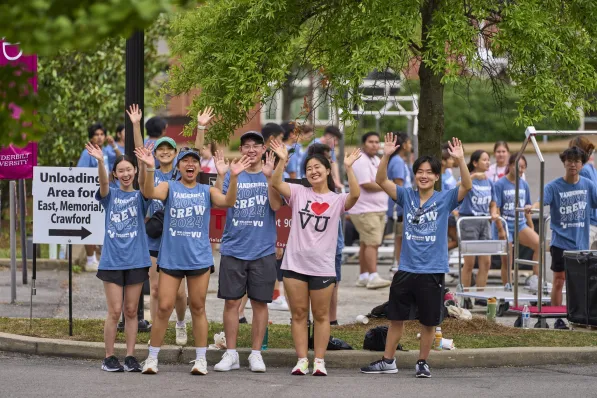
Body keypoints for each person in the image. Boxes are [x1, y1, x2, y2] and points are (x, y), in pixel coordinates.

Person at [360, 134, 471, 378]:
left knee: (429, 322)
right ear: (415, 174)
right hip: (406, 269)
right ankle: (388, 361)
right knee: (396, 319)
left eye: (429, 172)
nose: (424, 175)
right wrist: (387, 154)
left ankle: (422, 362)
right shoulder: (406, 196)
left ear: (436, 176)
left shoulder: (444, 199)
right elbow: (380, 180)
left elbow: (466, 186)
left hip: (432, 270)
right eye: (420, 171)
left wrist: (461, 160)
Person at [136, 145, 250, 375]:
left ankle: (200, 360)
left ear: (199, 167)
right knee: (164, 307)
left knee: (198, 307)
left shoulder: (206, 191)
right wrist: (149, 168)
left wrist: (230, 176)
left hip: (199, 259)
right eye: (185, 161)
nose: (190, 164)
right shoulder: (169, 186)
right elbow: (149, 193)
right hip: (171, 259)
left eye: (194, 161)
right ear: (178, 166)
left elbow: (228, 201)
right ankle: (152, 358)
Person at [269, 139, 361, 376]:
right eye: (308, 168)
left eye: (317, 167)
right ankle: (302, 360)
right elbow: (276, 183)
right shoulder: (299, 192)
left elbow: (355, 196)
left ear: (328, 170)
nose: (313, 171)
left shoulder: (336, 199)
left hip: (322, 267)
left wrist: (349, 168)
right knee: (298, 315)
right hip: (294, 264)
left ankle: (319, 360)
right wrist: (281, 160)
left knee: (321, 316)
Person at [129, 105, 214, 346]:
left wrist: (200, 127)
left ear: (175, 154)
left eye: (169, 149)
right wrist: (136, 125)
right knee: (156, 290)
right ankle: (157, 328)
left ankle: (179, 323)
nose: (164, 152)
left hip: (179, 238)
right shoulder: (150, 172)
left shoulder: (179, 174)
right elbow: (139, 153)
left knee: (179, 292)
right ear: (155, 153)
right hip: (155, 237)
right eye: (160, 149)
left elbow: (195, 154)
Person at [213, 131, 283, 373]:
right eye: (246, 146)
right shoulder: (234, 173)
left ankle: (256, 354)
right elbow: (219, 201)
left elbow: (276, 206)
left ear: (264, 150)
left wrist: (270, 178)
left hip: (262, 250)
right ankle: (231, 354)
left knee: (260, 303)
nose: (251, 150)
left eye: (256, 146)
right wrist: (227, 175)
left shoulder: (271, 175)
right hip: (233, 248)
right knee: (231, 302)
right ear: (241, 150)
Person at [86, 143, 151, 373]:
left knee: (131, 311)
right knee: (115, 311)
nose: (125, 174)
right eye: (120, 170)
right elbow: (103, 183)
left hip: (136, 260)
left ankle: (131, 356)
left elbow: (145, 182)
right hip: (113, 260)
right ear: (115, 173)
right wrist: (100, 162)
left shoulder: (141, 196)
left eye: (129, 169)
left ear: (134, 171)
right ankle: (109, 356)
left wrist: (144, 163)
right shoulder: (110, 194)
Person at [528, 147, 597, 330]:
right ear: (564, 162)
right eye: (569, 160)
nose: (573, 164)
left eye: (577, 161)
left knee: (581, 282)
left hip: (581, 244)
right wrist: (533, 207)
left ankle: (581, 316)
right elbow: (541, 200)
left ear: (582, 164)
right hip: (561, 242)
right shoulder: (554, 186)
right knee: (559, 280)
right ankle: (559, 317)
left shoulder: (588, 185)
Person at [306, 143, 344, 325]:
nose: (330, 162)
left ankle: (332, 319)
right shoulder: (303, 189)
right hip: (308, 250)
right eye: (327, 159)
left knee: (333, 283)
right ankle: (308, 320)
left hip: (333, 246)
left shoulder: (333, 190)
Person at [348, 132, 391, 289]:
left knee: (367, 243)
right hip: (365, 209)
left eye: (376, 142)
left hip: (377, 208)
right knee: (372, 242)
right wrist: (386, 185)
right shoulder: (360, 160)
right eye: (371, 141)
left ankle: (364, 276)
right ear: (364, 143)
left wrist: (384, 183)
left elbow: (381, 178)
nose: (374, 144)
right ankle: (373, 276)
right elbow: (366, 184)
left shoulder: (376, 159)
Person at [459, 149, 499, 307]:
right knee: (469, 262)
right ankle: (466, 296)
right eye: (484, 160)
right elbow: (458, 187)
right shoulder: (468, 178)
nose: (488, 162)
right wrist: (473, 176)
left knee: (486, 261)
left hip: (485, 222)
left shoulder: (489, 182)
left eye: (489, 160)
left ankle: (480, 295)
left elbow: (493, 202)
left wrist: (494, 213)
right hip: (469, 221)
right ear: (475, 163)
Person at [493, 154, 539, 288]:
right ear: (511, 165)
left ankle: (536, 280)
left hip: (520, 224)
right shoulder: (500, 184)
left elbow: (527, 206)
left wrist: (530, 226)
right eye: (519, 166)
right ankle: (508, 287)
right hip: (505, 224)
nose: (521, 170)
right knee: (508, 260)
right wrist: (500, 229)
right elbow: (496, 209)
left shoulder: (524, 184)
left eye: (524, 167)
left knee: (539, 245)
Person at [78, 122, 109, 271]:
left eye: (102, 134)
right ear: (91, 137)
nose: (99, 137)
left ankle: (101, 258)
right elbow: (81, 174)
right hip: (90, 197)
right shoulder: (87, 153)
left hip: (106, 196)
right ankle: (90, 260)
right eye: (96, 134)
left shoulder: (107, 151)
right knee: (89, 226)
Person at [386, 132, 412, 273]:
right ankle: (401, 266)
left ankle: (402, 265)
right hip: (402, 206)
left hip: (403, 205)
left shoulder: (399, 160)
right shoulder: (397, 161)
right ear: (403, 145)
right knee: (401, 237)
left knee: (401, 236)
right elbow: (398, 185)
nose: (410, 146)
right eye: (409, 142)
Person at [570, 136, 597, 249]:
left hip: (587, 223)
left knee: (581, 262)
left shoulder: (583, 170)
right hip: (593, 220)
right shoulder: (591, 168)